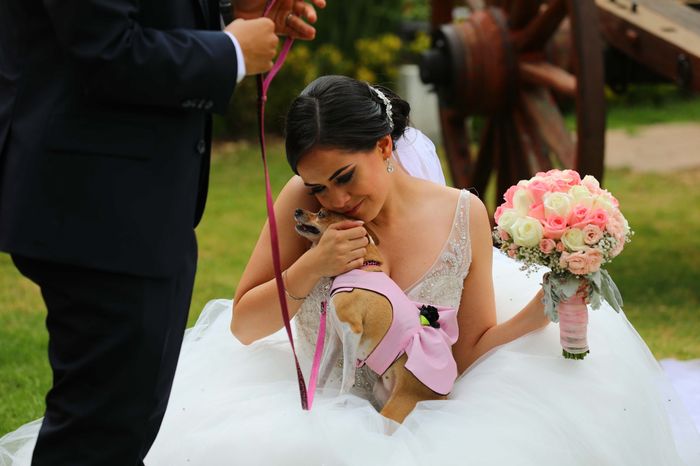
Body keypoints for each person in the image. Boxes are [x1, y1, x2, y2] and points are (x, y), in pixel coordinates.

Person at [3, 75, 700, 465]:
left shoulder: (461, 213)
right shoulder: (300, 205)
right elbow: (246, 325)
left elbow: (467, 345)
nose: (335, 200)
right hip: (306, 402)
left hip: (419, 411)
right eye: (318, 187)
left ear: (386, 145)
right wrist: (313, 264)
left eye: (345, 176)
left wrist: (542, 308)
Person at [0, 0, 325, 465]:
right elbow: (104, 47)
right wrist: (229, 50)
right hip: (98, 208)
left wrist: (228, 12)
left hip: (137, 204)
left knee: (127, 419)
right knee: (100, 430)